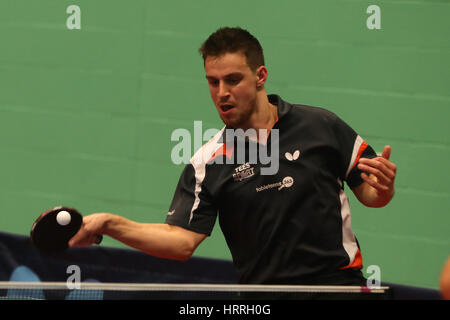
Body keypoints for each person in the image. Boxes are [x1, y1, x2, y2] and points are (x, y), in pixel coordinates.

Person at [69, 27, 397, 286]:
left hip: (337, 289)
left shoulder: (321, 125)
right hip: (262, 299)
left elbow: (371, 195)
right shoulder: (208, 161)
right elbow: (181, 241)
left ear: (260, 76)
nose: (222, 92)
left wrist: (382, 189)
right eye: (213, 82)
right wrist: (109, 224)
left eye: (232, 79)